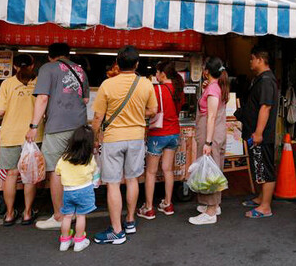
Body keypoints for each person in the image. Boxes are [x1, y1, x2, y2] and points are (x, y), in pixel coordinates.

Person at [92, 46, 157, 244]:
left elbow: (97, 117)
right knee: (132, 179)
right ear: (137, 64)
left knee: (112, 183)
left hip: (113, 138)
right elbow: (153, 110)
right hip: (136, 138)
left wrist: (96, 136)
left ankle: (117, 231)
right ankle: (129, 221)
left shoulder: (107, 85)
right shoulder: (146, 84)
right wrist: (137, 115)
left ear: (118, 65)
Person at [27, 43, 90, 230]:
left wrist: (33, 126)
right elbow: (86, 100)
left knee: (56, 170)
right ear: (68, 55)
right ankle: (78, 214)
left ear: (49, 56)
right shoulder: (80, 70)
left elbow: (43, 98)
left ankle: (59, 216)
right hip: (80, 127)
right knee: (76, 168)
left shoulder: (47, 69)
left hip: (57, 127)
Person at [0, 54, 40, 226]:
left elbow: (0, 112)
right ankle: (27, 213)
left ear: (15, 67)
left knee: (11, 175)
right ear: (32, 65)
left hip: (10, 135)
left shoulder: (7, 83)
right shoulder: (39, 82)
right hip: (33, 136)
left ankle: (10, 214)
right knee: (29, 176)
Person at [236, 46, 279, 219]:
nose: (250, 62)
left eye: (252, 59)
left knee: (265, 168)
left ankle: (265, 207)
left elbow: (266, 107)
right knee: (259, 167)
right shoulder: (261, 79)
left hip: (261, 135)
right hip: (255, 133)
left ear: (260, 60)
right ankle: (262, 198)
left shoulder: (267, 80)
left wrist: (258, 133)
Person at [138, 60, 184, 220]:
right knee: (167, 169)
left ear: (162, 74)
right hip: (174, 133)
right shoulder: (178, 89)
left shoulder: (157, 89)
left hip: (158, 133)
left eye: (157, 72)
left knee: (150, 172)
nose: (155, 75)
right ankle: (167, 204)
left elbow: (150, 110)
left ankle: (149, 208)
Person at [189, 58, 229, 225]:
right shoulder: (218, 86)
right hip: (217, 132)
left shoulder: (213, 89)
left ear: (206, 71)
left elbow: (211, 117)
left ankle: (211, 211)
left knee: (210, 172)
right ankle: (214, 205)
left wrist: (207, 142)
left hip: (210, 133)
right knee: (213, 169)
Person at [56, 125, 97, 252]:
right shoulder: (89, 159)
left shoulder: (64, 158)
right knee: (80, 216)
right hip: (84, 190)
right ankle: (79, 241)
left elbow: (58, 172)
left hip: (68, 191)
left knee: (67, 216)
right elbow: (94, 172)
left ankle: (65, 241)